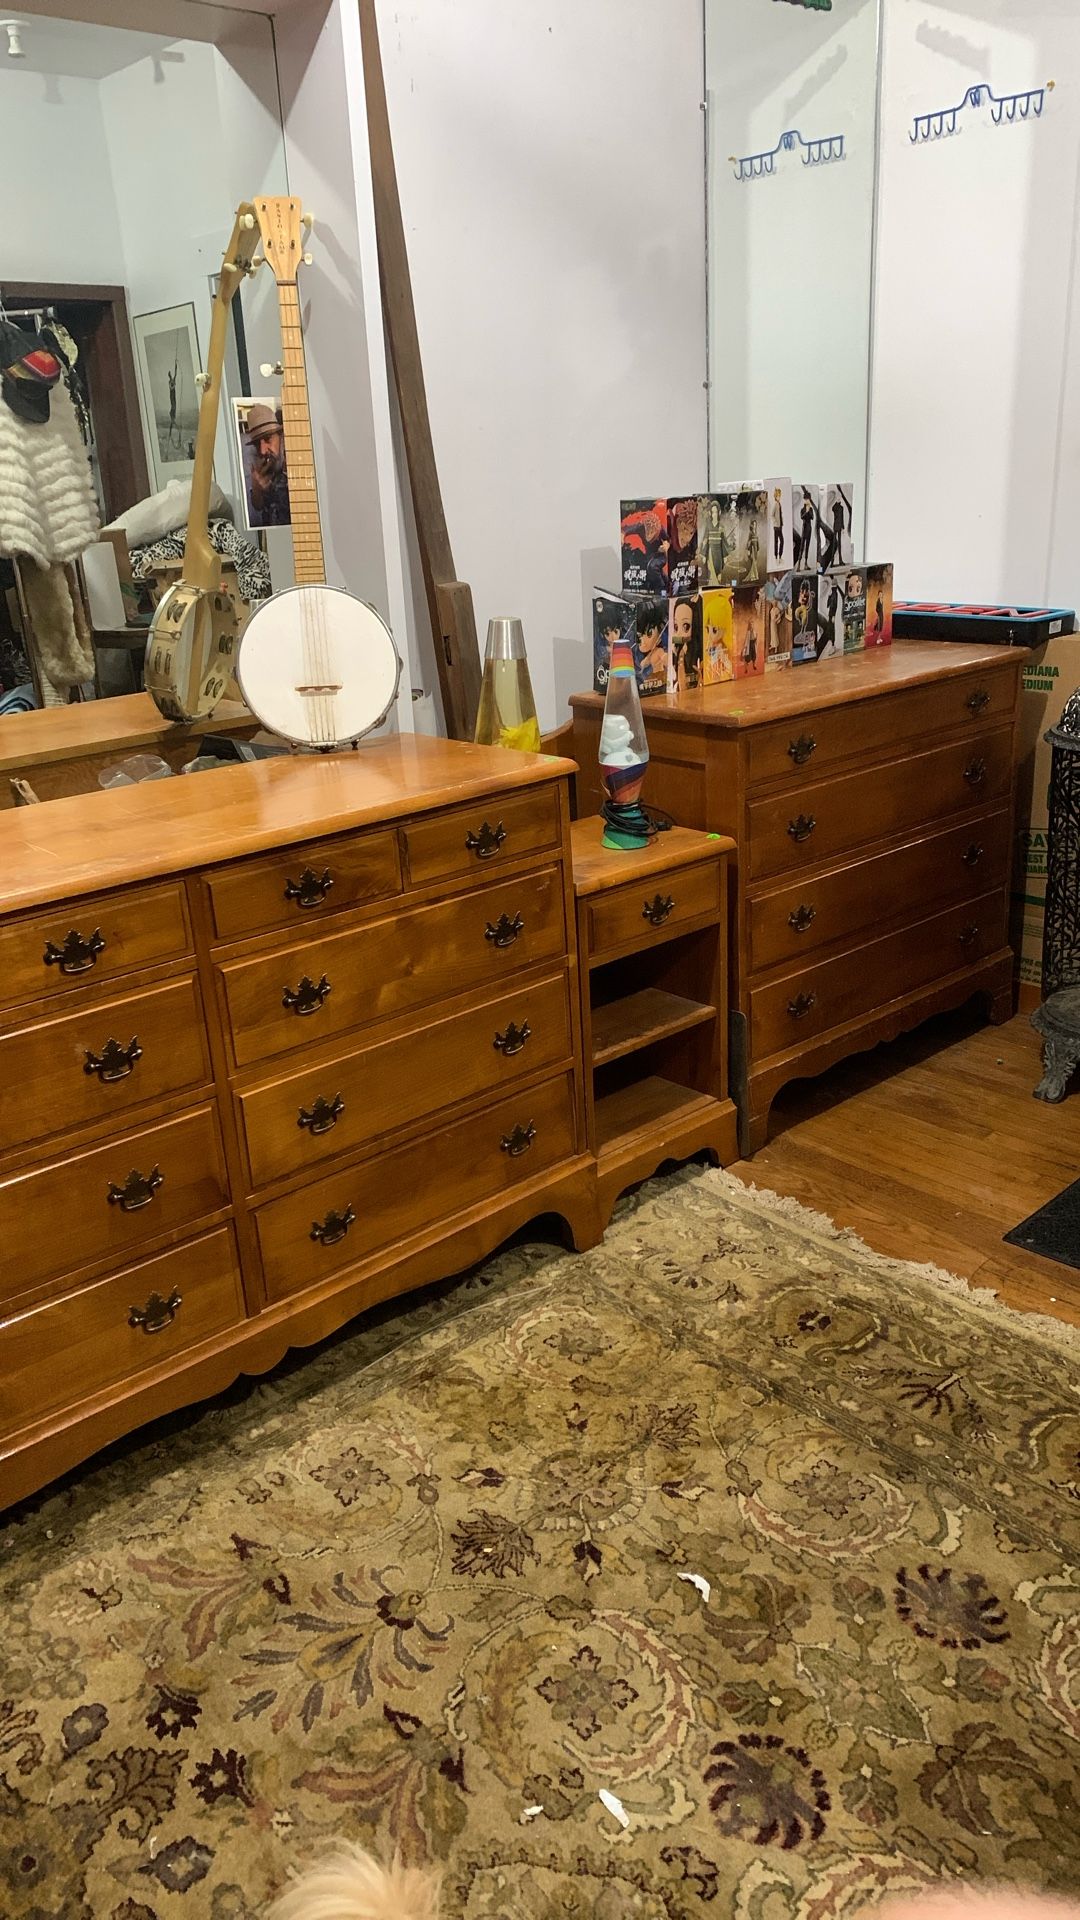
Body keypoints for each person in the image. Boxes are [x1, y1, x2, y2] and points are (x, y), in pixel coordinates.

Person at [243, 402, 291, 527]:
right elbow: (258, 506)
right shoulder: (258, 463)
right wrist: (257, 490)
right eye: (257, 444)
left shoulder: (295, 460)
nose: (263, 450)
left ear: (281, 436)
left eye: (268, 439)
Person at [670, 596, 702, 693]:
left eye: (685, 626)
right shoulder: (676, 650)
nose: (679, 633)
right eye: (676, 626)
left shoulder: (696, 650)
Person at [772, 486, 784, 562]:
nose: (779, 497)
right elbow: (772, 515)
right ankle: (776, 557)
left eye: (779, 496)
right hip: (776, 526)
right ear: (775, 497)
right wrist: (775, 522)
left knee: (781, 541)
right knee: (777, 541)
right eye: (777, 496)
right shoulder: (775, 504)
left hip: (780, 525)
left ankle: (779, 556)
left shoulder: (779, 504)